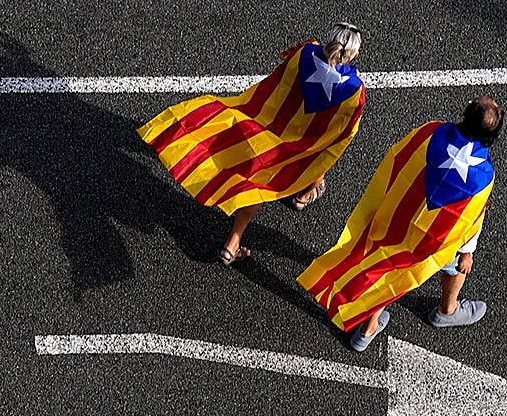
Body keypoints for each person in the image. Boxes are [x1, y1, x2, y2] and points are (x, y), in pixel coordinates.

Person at [138, 23, 365, 265]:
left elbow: (279, 77)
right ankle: (295, 200)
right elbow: (341, 134)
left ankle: (234, 242)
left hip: (265, 124)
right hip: (294, 146)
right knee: (317, 153)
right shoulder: (353, 91)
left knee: (254, 176)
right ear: (355, 54)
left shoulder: (305, 51)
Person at [298, 96, 504, 351]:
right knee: (436, 268)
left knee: (384, 265)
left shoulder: (433, 131)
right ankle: (445, 310)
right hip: (430, 239)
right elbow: (470, 219)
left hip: (395, 216)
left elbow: (399, 158)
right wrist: (467, 252)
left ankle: (367, 328)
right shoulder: (483, 175)